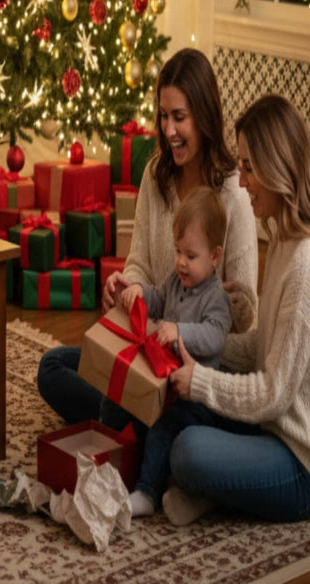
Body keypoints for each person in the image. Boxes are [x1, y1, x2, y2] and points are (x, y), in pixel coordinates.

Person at [36, 47, 258, 428]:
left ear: (204, 116)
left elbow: (244, 319)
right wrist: (126, 287)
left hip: (195, 370)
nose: (168, 130)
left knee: (133, 404)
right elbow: (137, 263)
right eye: (163, 116)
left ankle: (132, 422)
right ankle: (134, 419)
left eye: (179, 117)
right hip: (145, 349)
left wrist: (183, 338)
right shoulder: (157, 174)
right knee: (52, 366)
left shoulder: (234, 193)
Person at [162, 94, 310, 526]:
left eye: (248, 167)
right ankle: (222, 489)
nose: (242, 182)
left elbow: (272, 393)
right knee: (180, 407)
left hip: (305, 468)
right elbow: (264, 350)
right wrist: (195, 344)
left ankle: (216, 491)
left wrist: (202, 381)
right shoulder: (284, 239)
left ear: (275, 167)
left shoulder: (308, 262)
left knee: (187, 450)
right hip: (274, 431)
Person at [121, 186, 233, 518]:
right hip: (164, 385)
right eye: (178, 251)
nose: (181, 263)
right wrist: (139, 292)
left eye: (191, 256)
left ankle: (146, 492)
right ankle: (131, 468)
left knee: (164, 427)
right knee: (135, 415)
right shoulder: (176, 280)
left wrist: (178, 331)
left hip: (197, 400)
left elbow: (215, 337)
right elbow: (158, 296)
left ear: (215, 257)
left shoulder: (216, 298)